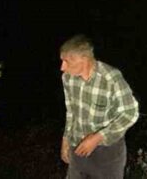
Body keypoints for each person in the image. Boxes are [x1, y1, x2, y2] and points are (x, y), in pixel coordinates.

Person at [59, 35, 139, 179]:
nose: (62, 67)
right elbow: (71, 111)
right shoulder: (68, 78)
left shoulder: (111, 78)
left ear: (83, 60)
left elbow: (130, 113)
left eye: (67, 61)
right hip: (78, 147)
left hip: (107, 153)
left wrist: (98, 137)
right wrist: (66, 139)